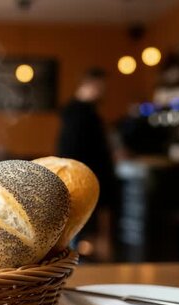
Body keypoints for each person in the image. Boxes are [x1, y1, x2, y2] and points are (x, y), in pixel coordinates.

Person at [57, 67, 116, 260]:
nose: (103, 91)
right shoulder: (79, 114)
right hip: (83, 181)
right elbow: (75, 152)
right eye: (101, 87)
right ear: (91, 84)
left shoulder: (81, 112)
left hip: (89, 179)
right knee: (80, 235)